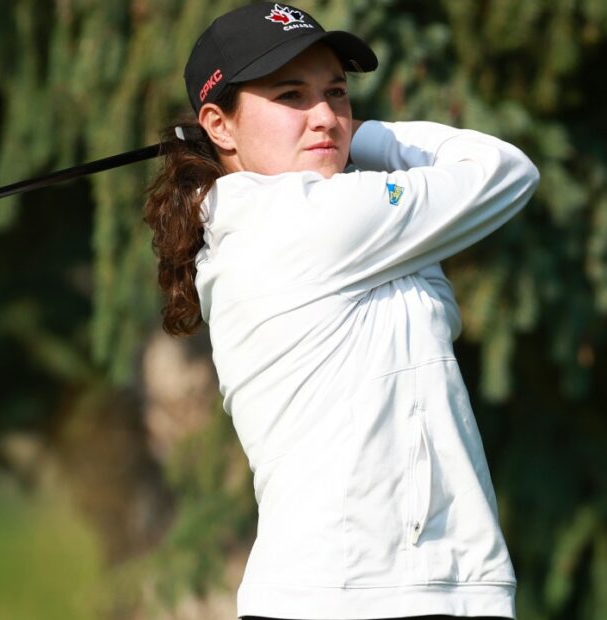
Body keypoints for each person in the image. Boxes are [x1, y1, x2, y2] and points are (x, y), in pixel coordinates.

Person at [143, 3, 540, 620]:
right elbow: (504, 170)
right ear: (219, 126)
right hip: (345, 598)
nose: (326, 116)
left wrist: (343, 143)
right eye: (291, 95)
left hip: (438, 587)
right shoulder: (299, 221)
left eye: (337, 93)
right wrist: (375, 135)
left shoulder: (315, 214)